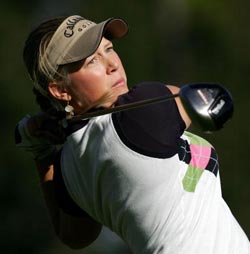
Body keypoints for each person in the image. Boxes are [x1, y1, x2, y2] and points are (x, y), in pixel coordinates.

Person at [15, 14, 250, 254]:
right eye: (92, 61)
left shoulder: (66, 164)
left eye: (108, 48)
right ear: (60, 90)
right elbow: (193, 96)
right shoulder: (139, 110)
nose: (113, 64)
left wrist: (40, 150)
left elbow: (74, 236)